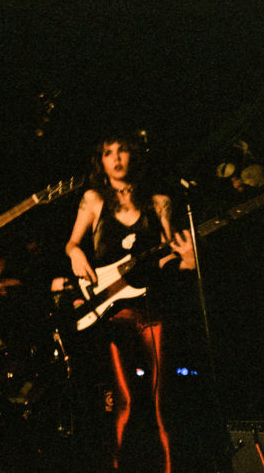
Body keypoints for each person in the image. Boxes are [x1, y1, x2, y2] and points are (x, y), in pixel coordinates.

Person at [64, 132, 195, 473]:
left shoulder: (159, 201)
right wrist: (76, 253)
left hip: (153, 308)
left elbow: (168, 255)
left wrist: (187, 260)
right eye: (109, 152)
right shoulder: (94, 199)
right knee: (124, 400)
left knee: (161, 400)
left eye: (122, 151)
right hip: (114, 312)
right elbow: (72, 243)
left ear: (134, 156)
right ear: (101, 160)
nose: (117, 158)